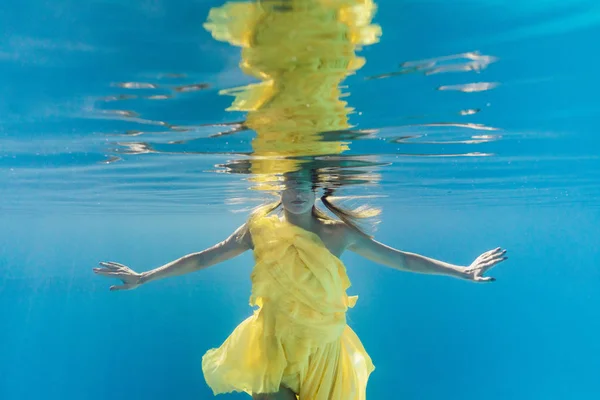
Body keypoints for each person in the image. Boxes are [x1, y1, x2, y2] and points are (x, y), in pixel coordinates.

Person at [93, 180, 508, 400]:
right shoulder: (258, 228)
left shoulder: (339, 234)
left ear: (318, 189)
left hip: (326, 353)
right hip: (270, 345)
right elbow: (204, 257)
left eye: (303, 184)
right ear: (278, 187)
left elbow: (400, 259)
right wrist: (144, 276)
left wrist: (462, 271)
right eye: (287, 183)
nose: (294, 192)